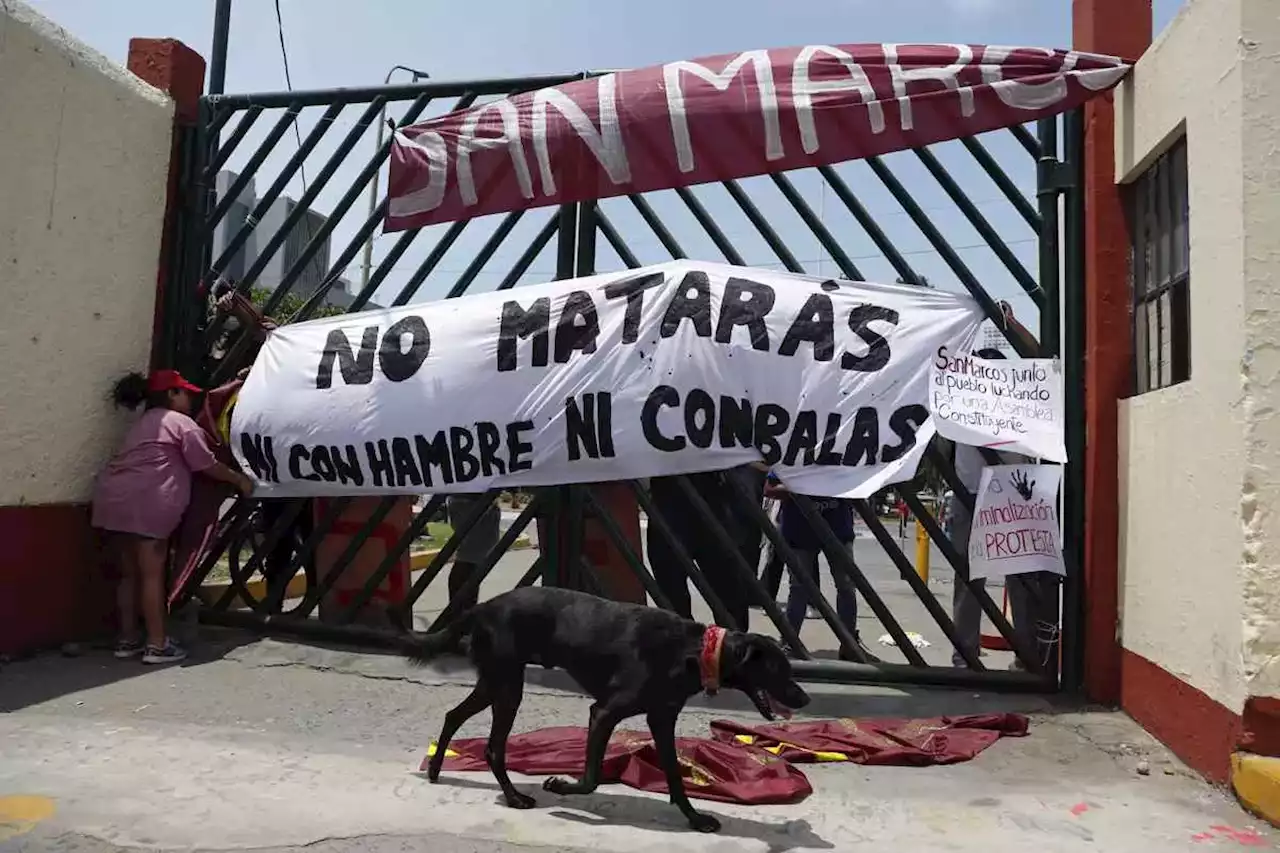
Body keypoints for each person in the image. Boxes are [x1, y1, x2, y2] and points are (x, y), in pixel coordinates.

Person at [93, 369, 254, 663]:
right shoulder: (180, 423)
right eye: (185, 393)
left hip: (112, 500)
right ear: (171, 394)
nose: (190, 399)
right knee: (152, 575)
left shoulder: (141, 424)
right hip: (147, 505)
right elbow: (205, 463)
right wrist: (238, 479)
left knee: (128, 576)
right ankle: (157, 645)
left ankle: (127, 640)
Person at [949, 302, 1059, 671]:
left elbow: (1045, 359)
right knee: (971, 579)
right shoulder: (960, 404)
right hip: (974, 494)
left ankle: (1023, 657)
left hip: (1014, 493)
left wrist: (1010, 325)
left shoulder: (1024, 402)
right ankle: (966, 654)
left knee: (1021, 580)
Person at [766, 474, 877, 662]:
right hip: (799, 529)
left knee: (846, 585)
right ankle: (789, 643)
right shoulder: (796, 451)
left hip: (837, 528)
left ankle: (849, 644)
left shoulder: (843, 450)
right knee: (799, 588)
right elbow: (770, 489)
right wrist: (798, 490)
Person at [445, 493, 501, 613]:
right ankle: (460, 618)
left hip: (477, 500)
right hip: (473, 502)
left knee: (470, 564)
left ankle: (462, 617)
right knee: (468, 563)